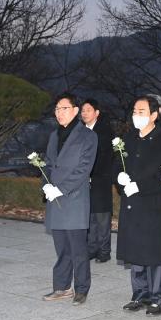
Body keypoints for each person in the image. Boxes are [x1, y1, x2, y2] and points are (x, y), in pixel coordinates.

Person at [115, 95, 161, 316]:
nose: (136, 116)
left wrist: (139, 186)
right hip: (132, 205)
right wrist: (120, 181)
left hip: (154, 205)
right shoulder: (129, 139)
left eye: (141, 111)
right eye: (134, 111)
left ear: (154, 114)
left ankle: (159, 296)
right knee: (135, 250)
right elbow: (118, 165)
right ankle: (139, 294)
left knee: (154, 252)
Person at [42, 92, 98, 306]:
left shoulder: (87, 136)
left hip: (74, 199)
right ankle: (62, 287)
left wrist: (61, 189)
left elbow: (84, 168)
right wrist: (46, 183)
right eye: (57, 109)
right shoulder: (54, 135)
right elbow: (48, 163)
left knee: (78, 249)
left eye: (64, 108)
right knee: (62, 248)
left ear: (75, 111)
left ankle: (81, 288)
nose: (59, 113)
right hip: (55, 200)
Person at [80, 98, 115, 264]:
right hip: (83, 181)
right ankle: (91, 248)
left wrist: (91, 173)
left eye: (88, 110)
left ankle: (104, 251)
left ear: (97, 113)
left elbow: (106, 158)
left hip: (100, 180)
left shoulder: (105, 131)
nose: (84, 113)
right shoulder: (79, 131)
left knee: (102, 217)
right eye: (83, 110)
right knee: (88, 217)